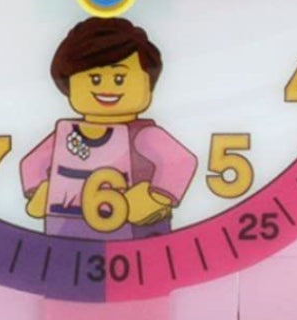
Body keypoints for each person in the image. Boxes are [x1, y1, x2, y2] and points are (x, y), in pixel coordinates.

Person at [20, 18, 197, 239]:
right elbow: (33, 164)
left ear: (149, 84)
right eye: (94, 78)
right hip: (67, 232)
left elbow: (181, 162)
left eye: (120, 78)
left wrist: (157, 197)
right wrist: (39, 191)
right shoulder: (66, 136)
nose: (107, 88)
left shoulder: (144, 136)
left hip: (136, 236)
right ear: (68, 84)